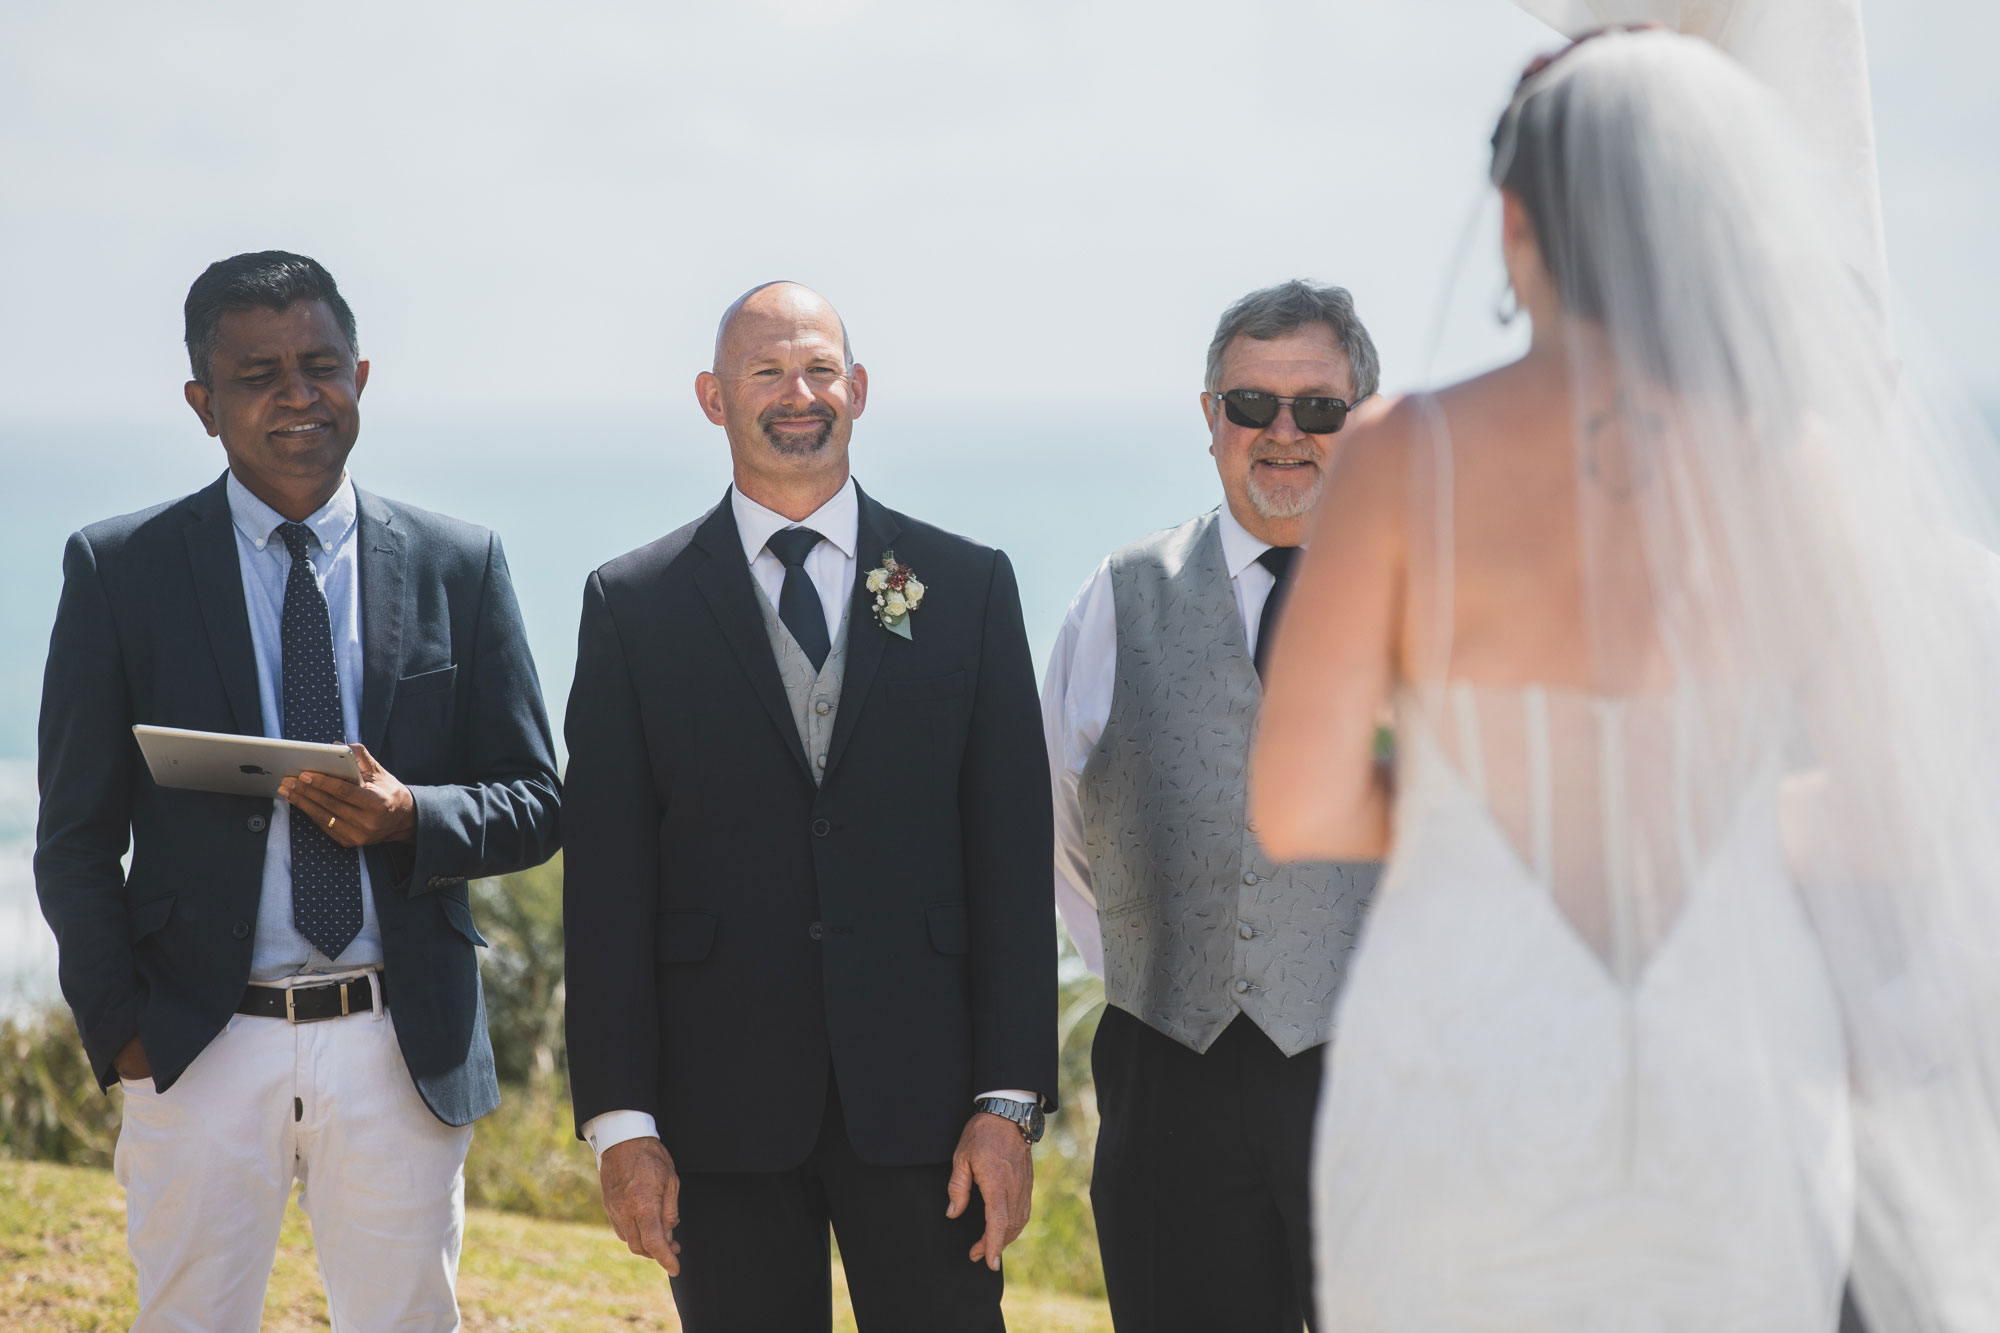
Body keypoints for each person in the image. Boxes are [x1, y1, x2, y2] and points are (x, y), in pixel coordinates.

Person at [1251, 30, 2000, 1333]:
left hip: (1463, 1062)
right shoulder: (1792, 463)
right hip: (1732, 1063)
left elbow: (1296, 807)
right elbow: (1883, 815)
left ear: (1515, 219)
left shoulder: (1399, 459)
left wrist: (1473, 811)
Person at [34, 250, 562, 1330]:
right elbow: (74, 837)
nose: (296, 395)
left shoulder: (460, 562)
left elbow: (536, 798)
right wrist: (120, 1028)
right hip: (196, 1040)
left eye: (320, 365)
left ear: (361, 374)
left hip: (397, 1037)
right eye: (258, 374)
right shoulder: (119, 568)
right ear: (202, 403)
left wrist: (413, 815)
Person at [562, 281, 1057, 1332]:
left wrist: (1006, 1102)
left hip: (927, 1110)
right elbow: (606, 885)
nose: (799, 394)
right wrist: (620, 1123)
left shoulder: (965, 586)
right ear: (712, 396)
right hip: (716, 1111)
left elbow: (1011, 862)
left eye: (820, 368)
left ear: (859, 389)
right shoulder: (631, 605)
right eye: (767, 371)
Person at [1041, 279, 1381, 1332]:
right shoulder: (1116, 594)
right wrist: (1149, 963)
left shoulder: (1428, 601)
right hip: (1170, 1078)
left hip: (1378, 1078)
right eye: (1251, 405)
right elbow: (1056, 823)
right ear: (1209, 418)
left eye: (1317, 408)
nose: (1283, 433)